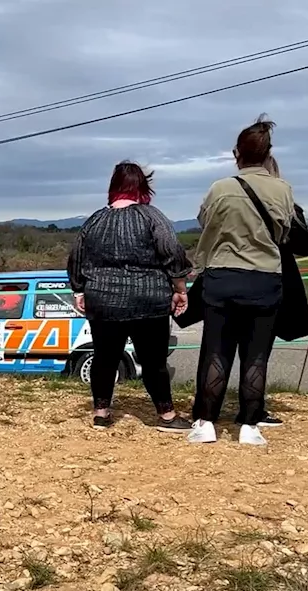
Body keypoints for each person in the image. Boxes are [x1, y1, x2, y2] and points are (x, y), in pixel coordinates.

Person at [187, 115, 298, 446]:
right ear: (268, 153)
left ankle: (206, 422)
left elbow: (203, 221)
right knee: (256, 355)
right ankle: (250, 426)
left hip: (221, 276)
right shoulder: (283, 190)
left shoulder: (219, 189)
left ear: (237, 153)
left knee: (216, 352)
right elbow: (286, 232)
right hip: (265, 278)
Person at [67, 161, 193, 432]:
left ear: (113, 188)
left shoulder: (96, 219)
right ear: (142, 187)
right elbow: (172, 252)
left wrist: (79, 290)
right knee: (153, 361)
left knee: (104, 357)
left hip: (103, 300)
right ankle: (166, 416)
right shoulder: (152, 217)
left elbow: (76, 257)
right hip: (148, 300)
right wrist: (180, 289)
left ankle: (101, 413)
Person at [256, 157, 308, 427]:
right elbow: (304, 246)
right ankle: (253, 409)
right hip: (271, 279)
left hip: (229, 277)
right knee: (258, 349)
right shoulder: (286, 204)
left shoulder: (231, 196)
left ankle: (208, 408)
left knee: (221, 348)